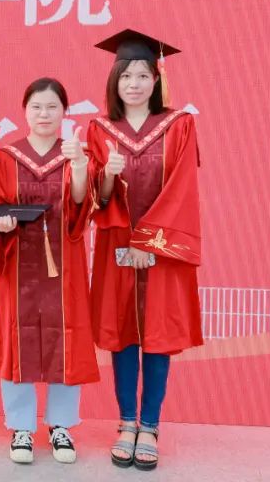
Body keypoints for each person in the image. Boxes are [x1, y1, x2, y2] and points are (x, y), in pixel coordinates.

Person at [86, 29, 203, 471]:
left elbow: (182, 188)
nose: (133, 84)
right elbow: (93, 196)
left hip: (162, 248)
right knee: (121, 331)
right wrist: (108, 176)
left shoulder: (179, 125)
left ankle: (150, 426)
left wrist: (147, 242)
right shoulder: (99, 129)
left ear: (156, 80)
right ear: (114, 81)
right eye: (125, 76)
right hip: (116, 244)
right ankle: (126, 423)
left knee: (157, 334)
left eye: (142, 75)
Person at [0, 77, 99, 465]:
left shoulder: (76, 154)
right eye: (36, 107)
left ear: (64, 112)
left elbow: (82, 205)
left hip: (64, 264)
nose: (44, 114)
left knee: (67, 337)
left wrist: (79, 165)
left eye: (52, 107)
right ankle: (21, 427)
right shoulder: (6, 157)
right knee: (18, 338)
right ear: (24, 111)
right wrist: (0, 226)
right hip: (19, 263)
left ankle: (61, 425)